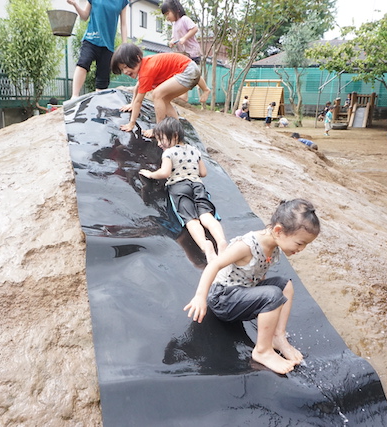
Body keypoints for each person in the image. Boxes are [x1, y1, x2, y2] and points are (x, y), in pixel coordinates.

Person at [184, 199, 320, 374]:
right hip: (223, 299)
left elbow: (258, 273)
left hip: (242, 292)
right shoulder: (247, 245)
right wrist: (200, 297)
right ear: (278, 231)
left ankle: (278, 336)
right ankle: (262, 351)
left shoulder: (274, 246)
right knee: (272, 295)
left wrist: (262, 302)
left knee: (285, 286)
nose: (302, 249)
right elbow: (214, 265)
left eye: (306, 244)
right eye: (300, 243)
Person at [139, 117, 228, 262]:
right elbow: (203, 173)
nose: (159, 143)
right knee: (206, 215)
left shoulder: (169, 153)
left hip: (179, 187)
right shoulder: (195, 150)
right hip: (197, 185)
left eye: (161, 139)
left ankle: (205, 246)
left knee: (191, 220)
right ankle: (221, 241)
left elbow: (165, 173)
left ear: (174, 135)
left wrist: (151, 174)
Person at [111, 43, 202, 138]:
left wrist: (131, 123)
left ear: (137, 58)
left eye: (126, 67)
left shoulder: (146, 71)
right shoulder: (145, 65)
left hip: (187, 71)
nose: (125, 72)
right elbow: (137, 87)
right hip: (189, 69)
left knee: (157, 94)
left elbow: (139, 101)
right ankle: (176, 128)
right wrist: (132, 104)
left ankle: (159, 129)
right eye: (122, 69)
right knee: (164, 99)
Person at [67, 0, 129, 99]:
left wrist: (124, 44)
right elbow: (84, 16)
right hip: (91, 38)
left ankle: (99, 101)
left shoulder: (122, 1)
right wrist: (75, 4)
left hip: (108, 44)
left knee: (103, 78)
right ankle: (74, 96)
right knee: (83, 62)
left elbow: (123, 24)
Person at [160, 0, 210, 104]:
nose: (167, 17)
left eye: (168, 14)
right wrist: (172, 41)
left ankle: (205, 89)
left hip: (192, 52)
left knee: (193, 72)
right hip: (183, 54)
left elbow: (194, 29)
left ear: (176, 10)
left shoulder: (184, 19)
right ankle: (184, 96)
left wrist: (185, 38)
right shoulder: (174, 25)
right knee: (183, 73)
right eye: (165, 15)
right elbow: (174, 37)